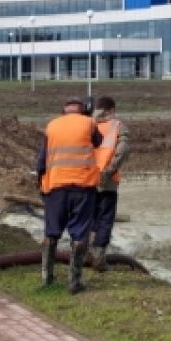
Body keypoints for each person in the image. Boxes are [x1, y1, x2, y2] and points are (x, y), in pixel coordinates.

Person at [36, 96, 102, 293]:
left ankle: (46, 278)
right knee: (80, 233)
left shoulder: (52, 126)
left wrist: (40, 184)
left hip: (56, 187)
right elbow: (99, 143)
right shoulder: (89, 122)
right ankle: (74, 282)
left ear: (63, 110)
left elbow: (41, 161)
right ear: (84, 110)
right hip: (83, 187)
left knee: (51, 232)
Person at [91, 95, 129, 271]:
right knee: (105, 219)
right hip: (107, 181)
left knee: (90, 218)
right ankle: (98, 259)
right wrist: (107, 172)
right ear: (111, 110)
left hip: (87, 180)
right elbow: (122, 152)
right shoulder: (117, 126)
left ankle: (85, 254)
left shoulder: (88, 124)